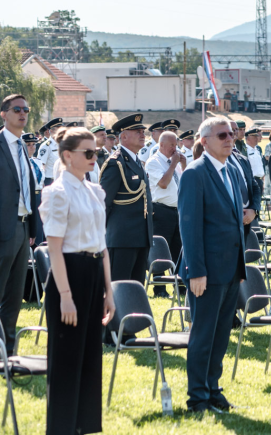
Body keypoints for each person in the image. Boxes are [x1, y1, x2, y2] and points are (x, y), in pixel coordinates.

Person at [40, 126, 115, 435]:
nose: (93, 157)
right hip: (69, 274)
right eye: (87, 153)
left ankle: (84, 426)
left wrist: (109, 291)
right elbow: (54, 249)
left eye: (95, 152)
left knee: (89, 357)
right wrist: (65, 295)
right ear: (68, 156)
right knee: (67, 361)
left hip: (94, 273)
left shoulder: (93, 190)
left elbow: (102, 244)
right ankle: (61, 429)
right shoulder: (57, 192)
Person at [177, 116, 246, 413]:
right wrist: (196, 271)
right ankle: (198, 398)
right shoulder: (196, 173)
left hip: (230, 269)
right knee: (204, 335)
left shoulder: (232, 169)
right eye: (222, 135)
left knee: (221, 336)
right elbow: (189, 226)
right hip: (206, 270)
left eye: (231, 134)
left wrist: (240, 268)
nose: (229, 139)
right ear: (204, 141)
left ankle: (213, 388)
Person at [0, 95, 38, 354]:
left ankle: (8, 354)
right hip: (3, 229)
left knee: (14, 298)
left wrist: (33, 229)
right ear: (3, 114)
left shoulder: (22, 146)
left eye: (25, 109)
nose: (22, 113)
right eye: (17, 109)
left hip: (23, 228)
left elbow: (28, 189)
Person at [100, 113, 154, 283]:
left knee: (135, 288)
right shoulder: (115, 164)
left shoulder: (137, 162)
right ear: (123, 136)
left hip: (140, 237)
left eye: (142, 131)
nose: (142, 135)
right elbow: (104, 204)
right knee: (119, 287)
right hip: (122, 239)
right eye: (137, 131)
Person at [146, 131, 185, 297]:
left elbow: (184, 180)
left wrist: (182, 163)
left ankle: (181, 286)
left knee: (180, 250)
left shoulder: (173, 161)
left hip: (177, 211)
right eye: (171, 145)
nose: (174, 149)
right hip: (161, 211)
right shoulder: (153, 162)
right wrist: (173, 163)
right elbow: (163, 183)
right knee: (161, 251)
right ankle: (160, 289)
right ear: (161, 145)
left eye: (176, 145)